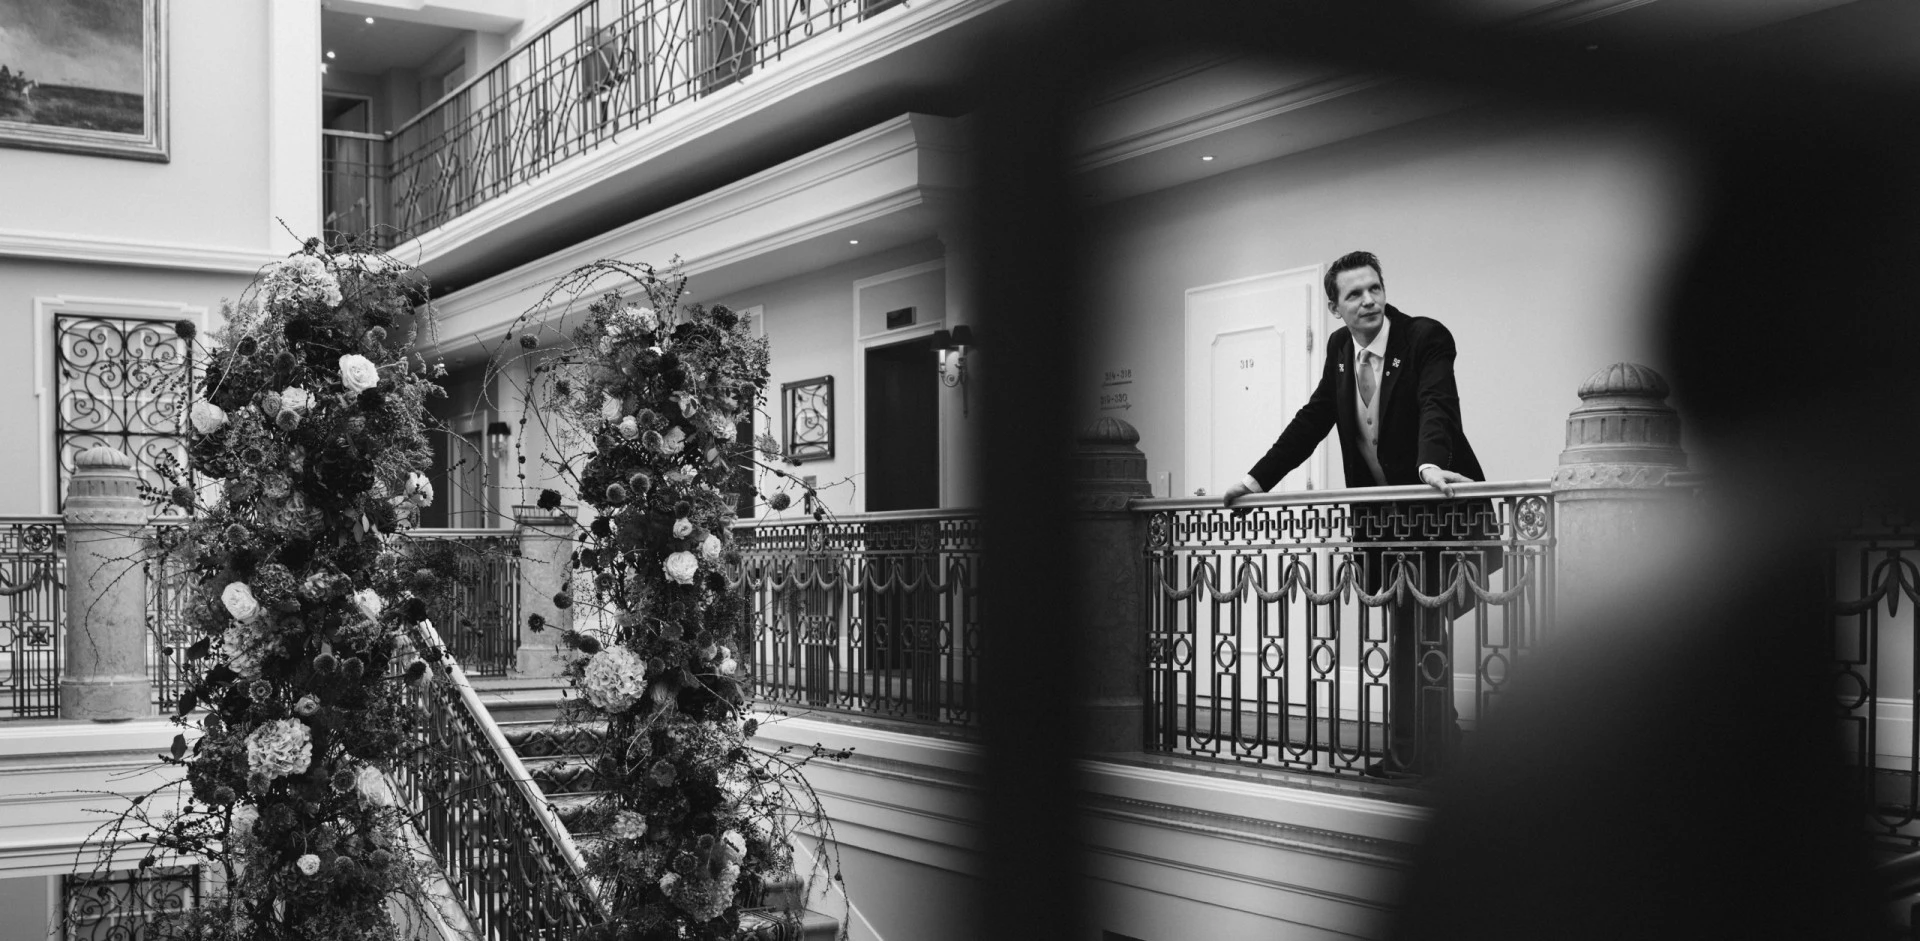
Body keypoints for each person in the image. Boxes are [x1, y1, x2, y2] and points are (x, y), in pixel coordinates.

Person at [1221, 250, 1486, 775]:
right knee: (1409, 629)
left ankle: (1419, 750)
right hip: (1384, 521)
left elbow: (1438, 403)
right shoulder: (1341, 347)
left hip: (1439, 507)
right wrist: (1255, 480)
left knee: (1424, 628)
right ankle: (1427, 746)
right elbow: (1314, 418)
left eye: (1374, 288)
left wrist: (1431, 463)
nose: (1369, 300)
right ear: (1333, 307)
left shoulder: (1424, 336)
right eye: (1354, 294)